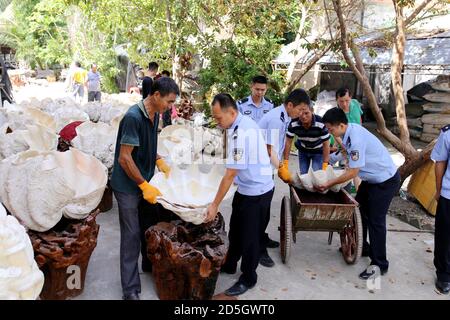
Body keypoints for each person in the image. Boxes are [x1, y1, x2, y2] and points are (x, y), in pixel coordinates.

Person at [110, 77, 179, 300]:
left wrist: (158, 159)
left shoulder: (155, 113)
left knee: (148, 228)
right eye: (169, 101)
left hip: (146, 181)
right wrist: (143, 185)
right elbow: (124, 158)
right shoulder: (133, 117)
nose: (170, 107)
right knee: (131, 235)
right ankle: (130, 289)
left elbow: (148, 143)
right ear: (156, 95)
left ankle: (149, 266)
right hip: (128, 186)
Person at [318, 107, 400, 280]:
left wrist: (329, 183)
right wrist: (325, 161)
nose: (330, 132)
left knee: (376, 221)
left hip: (385, 181)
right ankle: (362, 247)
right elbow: (343, 154)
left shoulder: (355, 138)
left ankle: (379, 264)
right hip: (371, 180)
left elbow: (353, 172)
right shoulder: (348, 132)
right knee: (359, 210)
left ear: (341, 125)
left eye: (331, 129)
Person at [205, 93, 274, 296]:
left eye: (219, 118)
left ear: (232, 112)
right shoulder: (239, 124)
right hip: (246, 188)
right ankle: (230, 264)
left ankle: (248, 277)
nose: (217, 123)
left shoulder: (242, 133)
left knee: (250, 237)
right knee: (236, 229)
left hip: (257, 192)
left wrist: (214, 204)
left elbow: (230, 174)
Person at [257, 89, 304, 268]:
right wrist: (282, 168)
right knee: (261, 211)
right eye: (299, 109)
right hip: (260, 168)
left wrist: (281, 164)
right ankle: (259, 248)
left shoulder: (285, 117)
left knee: (266, 208)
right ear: (290, 105)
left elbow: (278, 146)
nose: (300, 114)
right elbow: (269, 150)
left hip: (267, 167)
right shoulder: (277, 119)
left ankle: (262, 237)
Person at [281, 90, 330, 175]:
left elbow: (326, 144)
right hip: (303, 150)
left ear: (312, 111)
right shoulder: (293, 123)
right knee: (303, 175)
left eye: (307, 113)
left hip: (318, 151)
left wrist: (325, 164)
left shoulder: (321, 123)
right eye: (301, 113)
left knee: (317, 175)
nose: (303, 116)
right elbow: (288, 142)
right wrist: (285, 162)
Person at [431, 124, 450, 295]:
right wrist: (438, 190)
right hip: (449, 193)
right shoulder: (448, 133)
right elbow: (440, 162)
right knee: (445, 236)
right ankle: (444, 274)